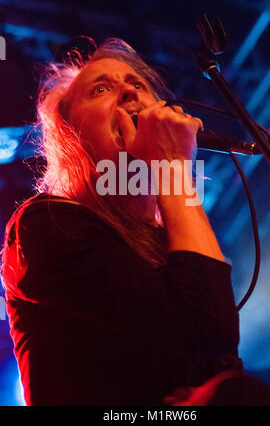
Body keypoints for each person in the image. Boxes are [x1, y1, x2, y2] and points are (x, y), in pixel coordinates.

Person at [1, 38, 241, 406]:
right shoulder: (44, 225)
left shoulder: (173, 243)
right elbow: (208, 330)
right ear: (73, 138)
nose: (130, 91)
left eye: (139, 84)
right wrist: (172, 167)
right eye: (101, 89)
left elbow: (221, 362)